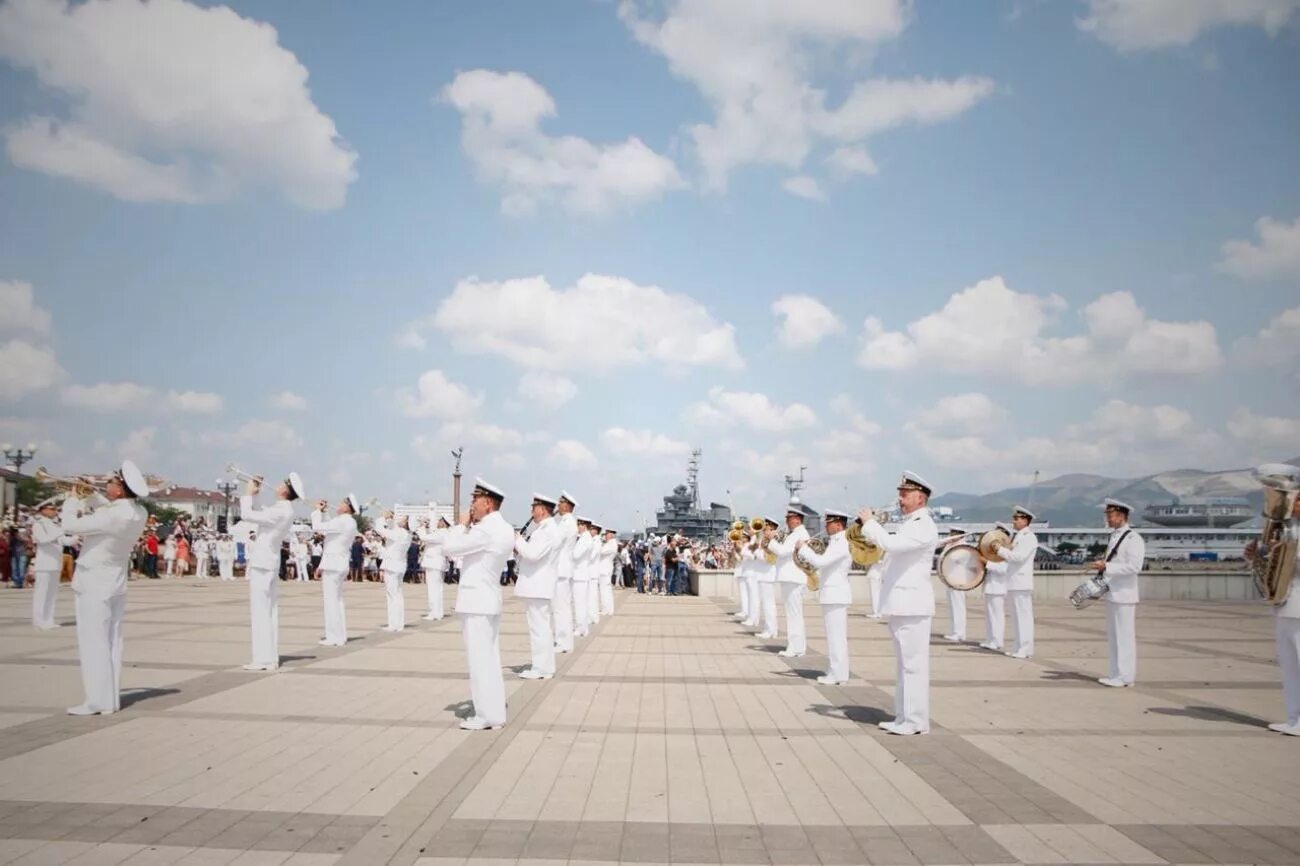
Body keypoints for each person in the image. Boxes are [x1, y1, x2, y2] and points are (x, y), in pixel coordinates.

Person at [60, 461, 151, 715]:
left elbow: (70, 525)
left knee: (93, 642)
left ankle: (96, 701)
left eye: (111, 482)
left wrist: (72, 499)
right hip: (114, 581)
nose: (107, 484)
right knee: (112, 641)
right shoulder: (137, 512)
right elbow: (109, 511)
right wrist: (92, 494)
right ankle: (109, 699)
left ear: (120, 489)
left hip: (94, 581)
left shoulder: (112, 515)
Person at [858, 471, 939, 736]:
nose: (900, 500)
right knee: (904, 665)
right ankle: (904, 717)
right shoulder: (911, 523)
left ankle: (916, 721)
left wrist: (870, 523)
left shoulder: (922, 524)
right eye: (900, 494)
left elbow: (892, 545)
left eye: (905, 495)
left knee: (913, 666)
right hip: (903, 603)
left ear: (920, 497)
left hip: (912, 604)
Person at [441, 478, 513, 731]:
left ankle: (487, 715)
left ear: (488, 503)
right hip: (487, 599)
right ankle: (493, 713)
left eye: (475, 499)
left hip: (476, 601)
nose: (472, 505)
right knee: (489, 659)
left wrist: (461, 526)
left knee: (480, 660)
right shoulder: (501, 527)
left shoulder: (487, 528)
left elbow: (450, 548)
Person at [1244, 465, 1300, 736]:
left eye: (1297, 498)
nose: (1293, 503)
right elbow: (1268, 563)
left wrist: (1286, 551)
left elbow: (1293, 560)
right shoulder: (1285, 528)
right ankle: (1294, 720)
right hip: (1284, 603)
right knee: (1289, 666)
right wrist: (1257, 554)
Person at [239, 472, 302, 672]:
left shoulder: (281, 510)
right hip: (269, 561)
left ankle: (263, 659)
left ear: (285, 490)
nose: (277, 485)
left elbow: (248, 515)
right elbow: (259, 513)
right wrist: (255, 495)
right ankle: (269, 657)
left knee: (260, 610)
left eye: (282, 483)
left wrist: (248, 494)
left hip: (263, 561)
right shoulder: (283, 509)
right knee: (268, 610)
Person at [1092, 498, 1146, 687]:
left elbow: (1134, 567)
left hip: (1125, 594)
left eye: (1111, 515)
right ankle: (1116, 674)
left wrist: (1107, 566)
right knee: (1114, 637)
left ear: (1121, 516)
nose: (1108, 519)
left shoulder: (1133, 538)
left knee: (1124, 637)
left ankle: (1125, 676)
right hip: (1114, 592)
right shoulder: (1115, 536)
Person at [796, 508, 852, 684]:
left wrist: (804, 548)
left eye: (829, 523)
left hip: (836, 593)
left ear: (838, 524)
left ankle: (837, 674)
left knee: (836, 638)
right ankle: (837, 673)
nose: (826, 526)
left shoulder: (841, 542)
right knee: (835, 637)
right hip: (833, 593)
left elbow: (821, 562)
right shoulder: (836, 541)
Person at [513, 494, 560, 679]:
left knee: (539, 629)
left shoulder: (548, 530)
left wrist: (518, 540)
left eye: (534, 507)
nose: (531, 511)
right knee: (541, 628)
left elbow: (533, 554)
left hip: (538, 585)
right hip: (537, 585)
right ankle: (544, 667)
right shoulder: (544, 529)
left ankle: (541, 668)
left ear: (542, 509)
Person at [312, 494, 359, 647]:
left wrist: (317, 512)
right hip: (337, 563)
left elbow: (319, 527)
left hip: (333, 565)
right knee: (337, 601)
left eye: (342, 503)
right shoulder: (348, 522)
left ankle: (334, 637)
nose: (338, 505)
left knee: (331, 601)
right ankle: (339, 635)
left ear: (347, 507)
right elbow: (329, 533)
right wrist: (324, 513)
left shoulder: (343, 521)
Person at [767, 504, 810, 658]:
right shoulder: (794, 534)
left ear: (797, 519)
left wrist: (772, 540)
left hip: (793, 577)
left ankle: (794, 647)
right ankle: (799, 647)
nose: (786, 521)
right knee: (795, 614)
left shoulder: (799, 534)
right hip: (791, 577)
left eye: (789, 518)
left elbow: (784, 552)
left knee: (793, 615)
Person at [998, 506, 1039, 659]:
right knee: (1016, 617)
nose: (1013, 521)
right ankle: (1018, 646)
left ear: (1025, 520)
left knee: (1023, 617)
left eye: (1017, 518)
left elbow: (1018, 557)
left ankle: (1025, 648)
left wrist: (999, 550)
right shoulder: (1018, 536)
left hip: (1021, 582)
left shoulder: (1029, 537)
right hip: (1014, 581)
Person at [374, 511, 412, 632]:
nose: (400, 518)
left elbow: (379, 529)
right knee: (397, 595)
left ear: (406, 523)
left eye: (403, 518)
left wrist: (383, 517)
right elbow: (392, 527)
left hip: (392, 566)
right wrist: (389, 518)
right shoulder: (406, 534)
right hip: (399, 566)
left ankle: (394, 624)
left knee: (392, 595)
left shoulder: (399, 533)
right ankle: (398, 624)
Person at [31, 499, 65, 629]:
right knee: (42, 593)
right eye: (52, 509)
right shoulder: (39, 524)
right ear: (43, 510)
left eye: (55, 509)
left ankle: (48, 619)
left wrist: (73, 539)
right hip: (44, 564)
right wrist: (59, 533)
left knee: (52, 594)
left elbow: (62, 541)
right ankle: (39, 620)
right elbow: (43, 540)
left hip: (55, 563)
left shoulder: (55, 524)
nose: (55, 512)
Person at [552, 492, 579, 652]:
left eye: (560, 503)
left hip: (561, 569)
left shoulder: (566, 522)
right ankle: (565, 642)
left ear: (567, 505)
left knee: (560, 608)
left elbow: (555, 542)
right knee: (563, 607)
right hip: (564, 569)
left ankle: (562, 642)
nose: (557, 506)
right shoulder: (568, 522)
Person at [979, 525, 1011, 651]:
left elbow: (1003, 569)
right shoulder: (994, 552)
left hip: (999, 587)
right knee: (990, 616)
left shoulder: (1006, 552)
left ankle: (997, 641)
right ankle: (990, 639)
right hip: (990, 587)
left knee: (997, 616)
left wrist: (986, 563)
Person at [417, 516, 450, 620]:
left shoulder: (442, 533)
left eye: (440, 521)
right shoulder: (441, 532)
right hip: (435, 563)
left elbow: (424, 538)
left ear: (444, 523)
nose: (438, 522)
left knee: (433, 589)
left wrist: (421, 527)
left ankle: (433, 613)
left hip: (434, 563)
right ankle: (437, 612)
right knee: (437, 590)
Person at [939, 527, 967, 642]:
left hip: (958, 580)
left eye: (953, 533)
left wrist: (948, 544)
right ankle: (954, 631)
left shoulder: (963, 546)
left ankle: (960, 633)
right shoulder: (950, 545)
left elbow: (952, 558)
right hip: (949, 579)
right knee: (952, 607)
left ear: (959, 535)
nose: (950, 535)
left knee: (958, 606)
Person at [753, 518, 779, 639]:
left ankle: (770, 630)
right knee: (767, 605)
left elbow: (769, 559)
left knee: (769, 605)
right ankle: (769, 629)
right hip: (763, 575)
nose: (764, 532)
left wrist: (758, 551)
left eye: (767, 530)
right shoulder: (765, 541)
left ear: (772, 530)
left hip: (767, 575)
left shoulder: (773, 542)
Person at [571, 517, 593, 637]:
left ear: (584, 526)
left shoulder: (584, 539)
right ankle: (583, 628)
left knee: (579, 603)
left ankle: (580, 628)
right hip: (582, 574)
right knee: (582, 603)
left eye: (579, 525)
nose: (577, 527)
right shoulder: (586, 538)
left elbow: (576, 555)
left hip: (580, 574)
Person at [598, 527, 617, 616]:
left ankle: (606, 609)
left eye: (606, 534)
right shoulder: (610, 543)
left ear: (611, 534)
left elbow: (601, 551)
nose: (605, 536)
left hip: (605, 569)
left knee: (604, 590)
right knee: (606, 590)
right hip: (605, 569)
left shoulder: (611, 543)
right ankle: (609, 609)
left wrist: (599, 542)